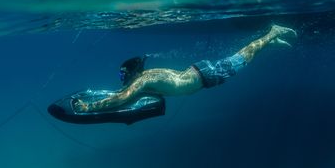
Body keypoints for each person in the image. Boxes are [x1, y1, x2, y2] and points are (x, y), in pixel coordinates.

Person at [75, 24, 297, 112]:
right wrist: (100, 105)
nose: (122, 77)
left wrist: (89, 107)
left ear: (132, 71)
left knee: (243, 58)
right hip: (200, 75)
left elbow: (122, 99)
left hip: (204, 75)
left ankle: (272, 33)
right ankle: (269, 42)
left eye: (123, 73)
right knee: (242, 59)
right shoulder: (144, 80)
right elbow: (126, 99)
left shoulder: (142, 81)